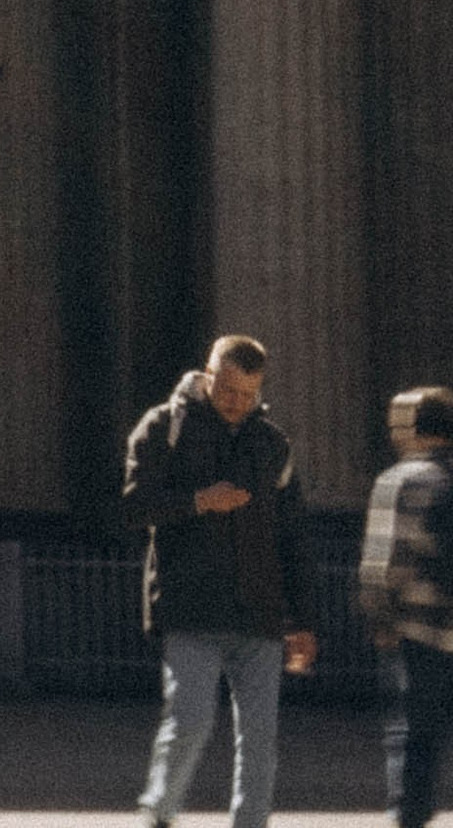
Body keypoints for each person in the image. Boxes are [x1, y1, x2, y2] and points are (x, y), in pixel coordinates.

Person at [124, 335, 317, 828]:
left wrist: (302, 619)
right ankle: (159, 813)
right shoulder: (165, 426)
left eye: (248, 394)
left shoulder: (273, 445)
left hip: (260, 613)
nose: (236, 403)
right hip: (189, 608)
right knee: (189, 721)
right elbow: (131, 507)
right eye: (228, 389)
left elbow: (291, 535)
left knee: (259, 738)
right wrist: (197, 501)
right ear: (207, 375)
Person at [361, 384, 453, 828]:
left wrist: (381, 617)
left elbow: (384, 564)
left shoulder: (400, 480)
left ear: (415, 428)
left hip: (421, 629)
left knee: (416, 734)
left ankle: (411, 816)